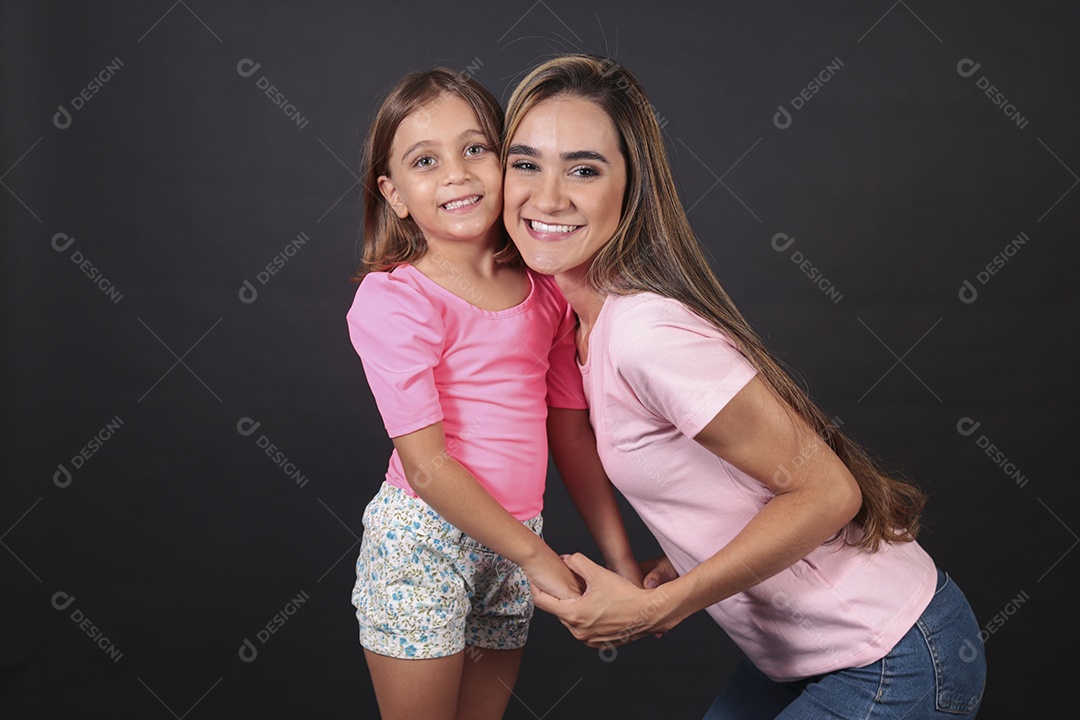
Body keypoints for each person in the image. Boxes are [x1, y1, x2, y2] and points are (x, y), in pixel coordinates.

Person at [502, 54, 987, 719]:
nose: (548, 196)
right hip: (799, 657)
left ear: (631, 189)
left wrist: (661, 606)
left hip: (893, 653)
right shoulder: (585, 330)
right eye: (525, 163)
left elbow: (829, 491)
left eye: (583, 168)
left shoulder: (645, 332)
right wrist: (685, 563)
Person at [345, 67, 641, 720]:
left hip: (513, 541)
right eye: (426, 160)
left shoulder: (547, 290)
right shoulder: (396, 300)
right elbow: (427, 465)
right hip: (421, 544)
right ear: (393, 194)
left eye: (475, 148)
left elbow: (569, 433)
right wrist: (536, 558)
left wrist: (619, 560)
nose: (456, 173)